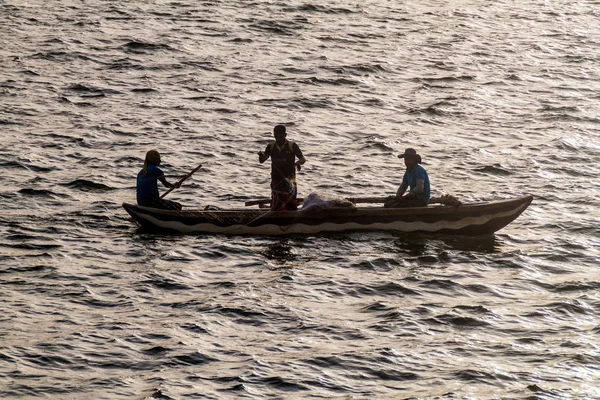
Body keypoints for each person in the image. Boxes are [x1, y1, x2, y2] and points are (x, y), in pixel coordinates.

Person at [258, 125, 306, 211]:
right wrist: (260, 156)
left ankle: (291, 219)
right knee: (276, 205)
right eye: (276, 136)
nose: (278, 139)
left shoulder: (292, 146)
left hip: (289, 180)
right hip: (276, 180)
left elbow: (303, 159)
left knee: (291, 205)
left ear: (285, 135)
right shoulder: (271, 146)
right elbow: (262, 160)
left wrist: (297, 163)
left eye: (280, 137)